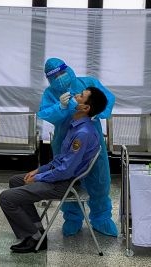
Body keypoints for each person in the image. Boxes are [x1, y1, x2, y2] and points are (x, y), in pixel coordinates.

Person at [0, 87, 107, 253]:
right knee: (15, 181)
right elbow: (60, 160)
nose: (74, 96)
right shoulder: (75, 126)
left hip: (63, 183)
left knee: (6, 198)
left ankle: (35, 239)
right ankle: (36, 230)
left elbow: (66, 170)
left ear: (85, 108)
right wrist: (38, 170)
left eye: (80, 96)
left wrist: (39, 178)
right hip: (59, 176)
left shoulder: (83, 133)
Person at [37, 58, 117, 237]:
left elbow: (107, 99)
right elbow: (45, 113)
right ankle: (72, 218)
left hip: (90, 140)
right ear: (49, 79)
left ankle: (101, 218)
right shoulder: (50, 93)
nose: (59, 78)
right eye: (53, 76)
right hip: (64, 142)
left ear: (68, 69)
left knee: (99, 179)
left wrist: (98, 113)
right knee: (68, 178)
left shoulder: (88, 83)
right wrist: (60, 107)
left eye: (61, 72)